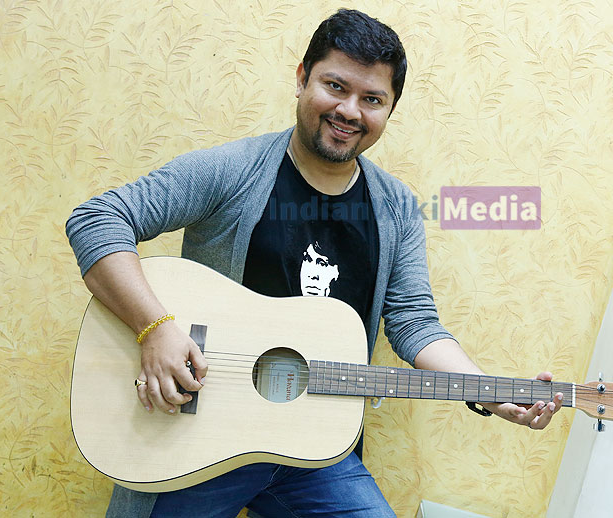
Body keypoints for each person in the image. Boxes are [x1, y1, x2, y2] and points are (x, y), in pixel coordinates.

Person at [66, 9, 563, 518]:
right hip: (192, 439)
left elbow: (415, 322)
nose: (350, 110)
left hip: (316, 455)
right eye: (335, 86)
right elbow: (97, 220)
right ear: (302, 78)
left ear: (389, 110)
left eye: (372, 99)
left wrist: (488, 393)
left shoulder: (395, 208)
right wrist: (156, 328)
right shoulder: (235, 170)